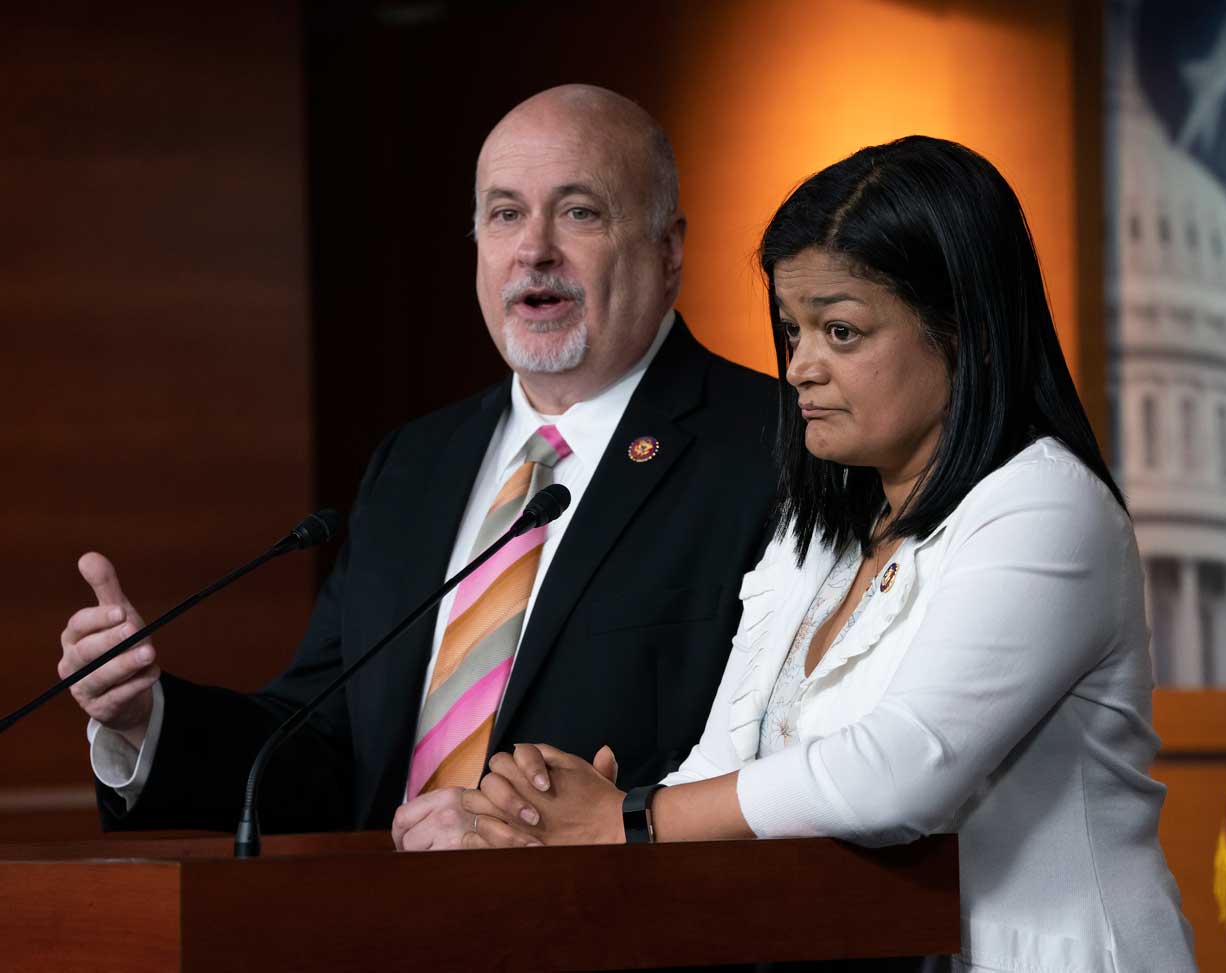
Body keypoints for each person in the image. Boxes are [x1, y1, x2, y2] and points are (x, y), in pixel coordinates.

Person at [459, 137, 1196, 971]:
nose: (801, 367)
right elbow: (723, 764)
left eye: (840, 331)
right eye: (792, 329)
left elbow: (899, 775)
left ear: (967, 332)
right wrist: (571, 810)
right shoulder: (820, 530)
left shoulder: (1045, 504)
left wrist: (632, 819)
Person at [56, 84, 777, 847]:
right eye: (504, 214)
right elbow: (324, 748)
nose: (533, 249)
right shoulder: (415, 464)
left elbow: (779, 760)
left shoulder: (773, 447)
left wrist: (550, 831)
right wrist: (145, 719)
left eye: (578, 212)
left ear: (668, 249)